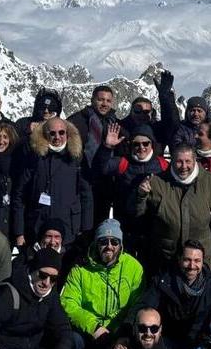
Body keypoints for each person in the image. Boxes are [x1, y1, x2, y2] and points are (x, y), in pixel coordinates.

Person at [133, 143, 211, 270]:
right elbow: (139, 214)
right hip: (165, 257)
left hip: (198, 258)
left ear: (195, 160)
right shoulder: (157, 182)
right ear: (172, 161)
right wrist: (141, 196)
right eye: (179, 162)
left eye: (188, 161)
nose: (184, 166)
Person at [61, 219, 145, 349]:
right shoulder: (81, 269)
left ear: (121, 245)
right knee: (71, 342)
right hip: (88, 330)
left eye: (115, 242)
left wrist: (124, 332)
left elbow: (138, 304)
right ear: (96, 243)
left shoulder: (134, 268)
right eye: (104, 242)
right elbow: (68, 303)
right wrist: (94, 327)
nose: (109, 246)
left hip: (120, 332)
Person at [130, 240, 211, 349]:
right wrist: (125, 333)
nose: (192, 266)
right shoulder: (164, 280)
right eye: (187, 260)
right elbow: (143, 306)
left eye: (197, 261)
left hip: (201, 342)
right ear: (179, 259)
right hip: (168, 342)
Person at [12, 116, 93, 248]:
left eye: (61, 132)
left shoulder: (76, 158)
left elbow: (86, 196)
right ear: (45, 134)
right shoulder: (34, 156)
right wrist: (19, 232)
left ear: (67, 133)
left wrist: (86, 230)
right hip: (37, 226)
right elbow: (19, 194)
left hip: (69, 228)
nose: (57, 137)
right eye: (52, 133)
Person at [92, 123, 168, 259]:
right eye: (136, 144)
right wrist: (107, 147)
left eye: (146, 143)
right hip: (126, 225)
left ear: (152, 144)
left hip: (154, 226)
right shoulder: (123, 162)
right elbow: (100, 169)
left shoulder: (162, 165)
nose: (141, 148)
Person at [68, 85, 120, 223]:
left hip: (105, 182)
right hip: (80, 180)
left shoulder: (114, 123)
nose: (104, 104)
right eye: (101, 99)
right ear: (92, 100)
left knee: (100, 222)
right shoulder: (76, 121)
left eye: (108, 101)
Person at [155, 70, 209, 151]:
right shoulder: (178, 129)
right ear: (187, 112)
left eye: (199, 111)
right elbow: (170, 117)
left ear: (205, 113)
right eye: (192, 110)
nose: (196, 114)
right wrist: (165, 96)